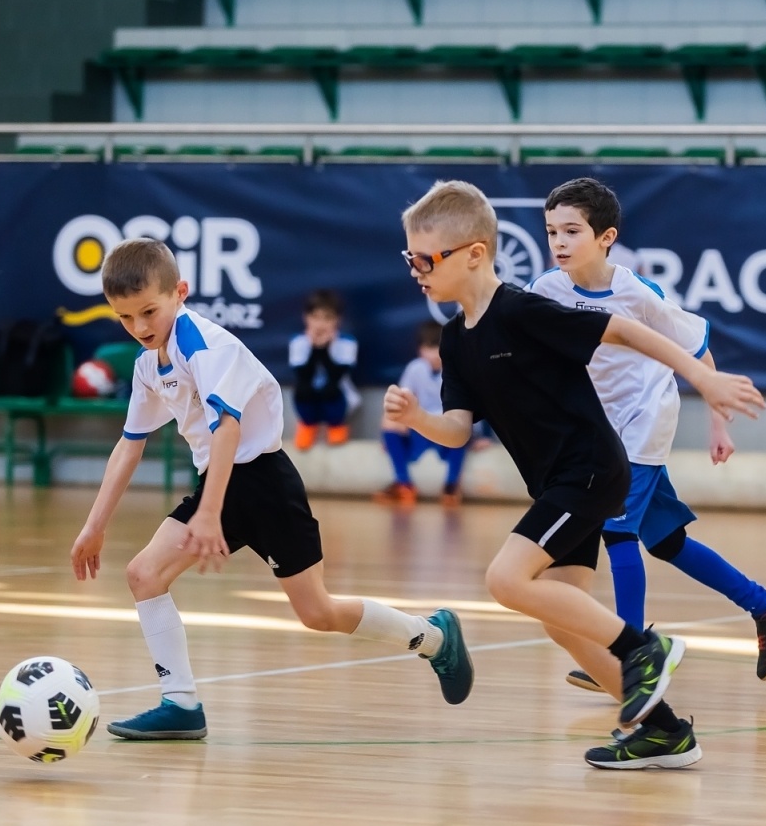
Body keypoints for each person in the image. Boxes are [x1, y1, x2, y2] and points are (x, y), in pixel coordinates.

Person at [385, 180, 765, 770]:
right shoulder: (457, 340)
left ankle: (645, 646)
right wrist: (419, 421)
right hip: (560, 482)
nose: (416, 270)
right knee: (562, 621)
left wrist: (704, 380)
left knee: (506, 579)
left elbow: (624, 329)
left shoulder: (522, 309)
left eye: (425, 259)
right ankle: (664, 733)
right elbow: (459, 427)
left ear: (475, 254)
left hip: (588, 469)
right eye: (409, 258)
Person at [69, 239, 471, 741]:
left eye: (149, 311)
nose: (141, 327)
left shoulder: (204, 346)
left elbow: (228, 429)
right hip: (221, 482)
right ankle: (181, 704)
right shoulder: (149, 365)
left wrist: (209, 512)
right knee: (143, 575)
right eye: (126, 318)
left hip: (263, 482)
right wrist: (93, 528)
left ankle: (433, 636)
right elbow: (129, 446)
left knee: (317, 613)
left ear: (180, 292)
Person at [530, 178, 766, 693]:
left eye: (571, 231)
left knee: (617, 530)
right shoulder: (545, 291)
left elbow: (697, 353)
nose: (558, 241)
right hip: (600, 427)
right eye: (550, 231)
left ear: (606, 237)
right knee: (666, 541)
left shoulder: (637, 293)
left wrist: (718, 421)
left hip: (647, 417)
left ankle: (633, 653)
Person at [375, 321, 468, 507]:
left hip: (448, 430)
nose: (434, 354)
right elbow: (402, 401)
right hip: (421, 427)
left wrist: (482, 435)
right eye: (429, 347)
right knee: (389, 422)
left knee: (463, 428)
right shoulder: (415, 369)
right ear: (420, 349)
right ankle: (404, 484)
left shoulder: (458, 367)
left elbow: (473, 406)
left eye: (439, 347)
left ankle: (451, 485)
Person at [288, 289, 358, 450]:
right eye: (315, 317)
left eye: (327, 318)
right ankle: (307, 425)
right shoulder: (298, 342)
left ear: (337, 320)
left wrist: (324, 349)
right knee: (302, 389)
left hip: (337, 398)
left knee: (331, 390)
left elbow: (336, 376)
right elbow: (303, 376)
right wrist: (314, 348)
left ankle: (336, 427)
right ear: (306, 318)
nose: (320, 324)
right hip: (310, 397)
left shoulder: (347, 343)